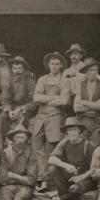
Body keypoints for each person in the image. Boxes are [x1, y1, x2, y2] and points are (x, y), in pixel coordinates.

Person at [31, 51, 69, 192]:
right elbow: (36, 98)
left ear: (61, 66)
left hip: (55, 116)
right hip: (41, 116)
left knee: (50, 147)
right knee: (36, 145)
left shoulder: (64, 81)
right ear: (48, 65)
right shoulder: (42, 79)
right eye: (52, 63)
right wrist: (54, 99)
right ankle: (41, 177)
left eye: (57, 64)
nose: (54, 66)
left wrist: (45, 97)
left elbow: (64, 100)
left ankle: (49, 181)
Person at [47, 117, 96, 200]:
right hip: (71, 176)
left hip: (85, 178)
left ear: (79, 131)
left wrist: (80, 177)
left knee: (74, 189)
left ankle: (69, 196)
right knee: (53, 169)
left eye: (74, 130)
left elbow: (95, 169)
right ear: (66, 132)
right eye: (69, 130)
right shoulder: (64, 142)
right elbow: (51, 159)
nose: (72, 133)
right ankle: (63, 195)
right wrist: (66, 165)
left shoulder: (87, 146)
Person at [0, 55, 36, 143]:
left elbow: (34, 102)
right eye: (15, 68)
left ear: (24, 70)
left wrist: (20, 109)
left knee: (22, 119)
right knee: (1, 119)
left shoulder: (30, 82)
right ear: (12, 69)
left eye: (20, 68)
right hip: (12, 107)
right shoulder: (9, 81)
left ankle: (19, 143)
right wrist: (9, 110)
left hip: (26, 108)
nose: (17, 71)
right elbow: (6, 99)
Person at [72, 57, 100, 147]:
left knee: (93, 147)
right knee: (79, 144)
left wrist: (84, 102)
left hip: (98, 122)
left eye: (95, 70)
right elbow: (76, 108)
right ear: (86, 72)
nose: (93, 72)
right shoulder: (80, 85)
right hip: (83, 121)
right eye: (90, 70)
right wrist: (95, 105)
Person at [61, 43, 87, 108]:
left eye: (76, 54)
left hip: (83, 100)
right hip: (69, 102)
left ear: (81, 56)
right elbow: (62, 87)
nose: (73, 56)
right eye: (71, 54)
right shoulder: (66, 72)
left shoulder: (86, 68)